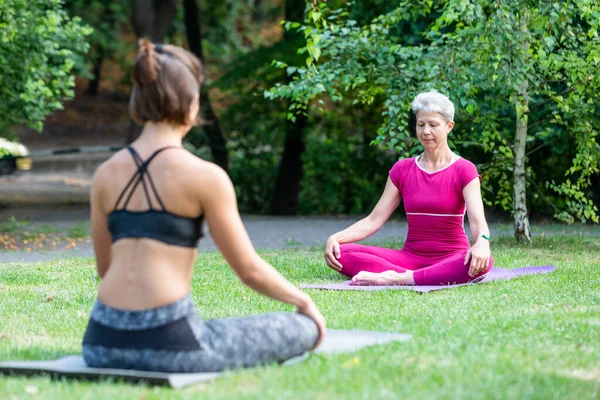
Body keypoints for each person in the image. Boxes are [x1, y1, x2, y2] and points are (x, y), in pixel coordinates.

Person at [82, 39, 325, 373]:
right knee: (300, 327)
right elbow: (249, 270)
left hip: (101, 342)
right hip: (172, 345)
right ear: (190, 104)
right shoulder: (205, 176)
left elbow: (104, 269)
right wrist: (304, 301)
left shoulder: (105, 174)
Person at [324, 91, 492, 286]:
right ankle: (421, 276)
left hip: (452, 257)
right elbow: (373, 220)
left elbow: (478, 223)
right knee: (342, 252)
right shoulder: (402, 169)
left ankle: (394, 278)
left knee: (483, 261)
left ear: (449, 126)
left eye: (433, 125)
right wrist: (336, 238)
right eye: (421, 125)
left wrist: (482, 242)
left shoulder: (464, 169)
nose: (425, 131)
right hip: (410, 258)